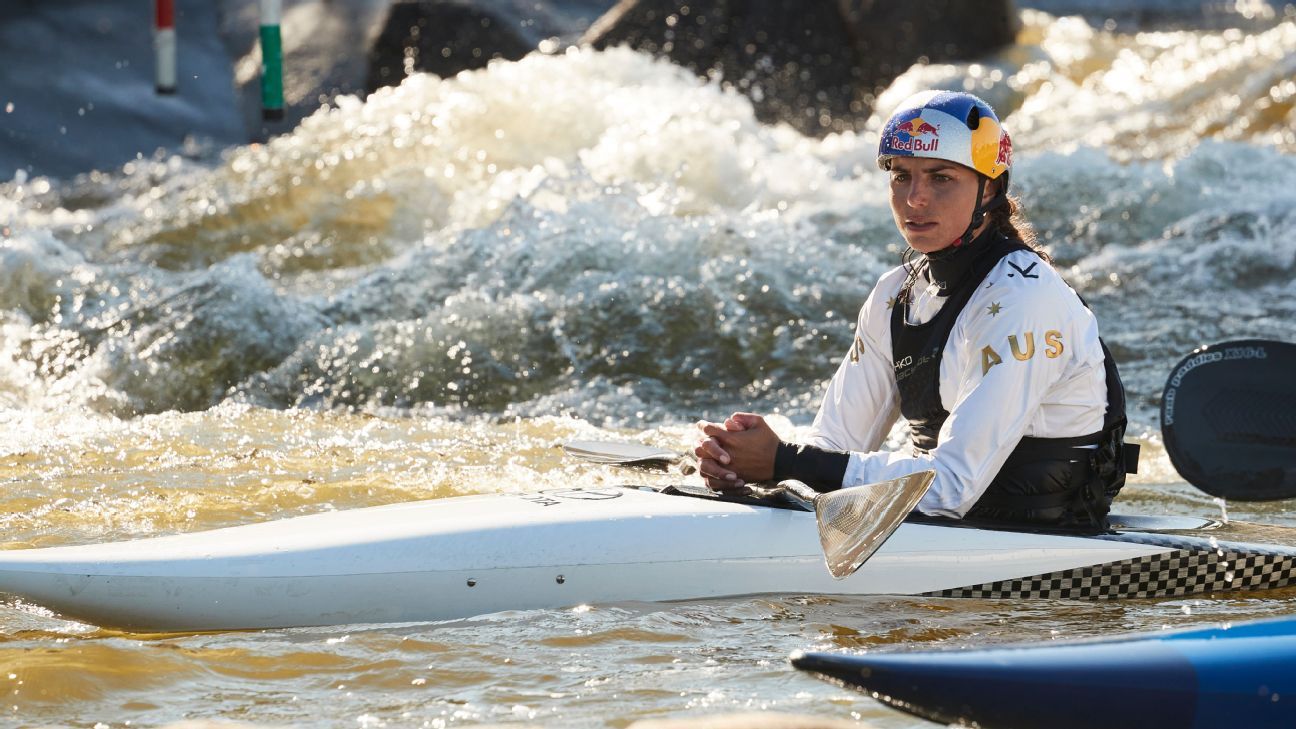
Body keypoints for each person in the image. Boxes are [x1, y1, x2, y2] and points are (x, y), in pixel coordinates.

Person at [694, 90, 1135, 530]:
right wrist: (748, 467)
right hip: (941, 528)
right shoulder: (894, 296)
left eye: (941, 178)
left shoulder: (1025, 300)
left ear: (989, 189)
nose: (915, 199)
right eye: (901, 175)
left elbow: (950, 489)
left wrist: (785, 461)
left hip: (1040, 557)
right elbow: (833, 443)